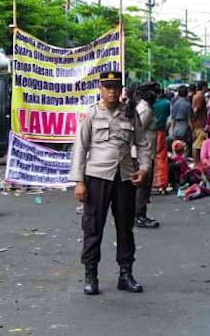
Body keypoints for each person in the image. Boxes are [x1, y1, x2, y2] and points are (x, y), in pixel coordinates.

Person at [69, 70, 150, 296]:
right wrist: (79, 182)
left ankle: (125, 274)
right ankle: (91, 275)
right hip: (97, 178)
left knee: (125, 227)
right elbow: (80, 148)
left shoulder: (130, 114)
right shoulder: (91, 113)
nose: (112, 92)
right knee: (93, 227)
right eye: (107, 87)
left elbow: (143, 144)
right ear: (100, 89)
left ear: (121, 89)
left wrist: (143, 169)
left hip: (124, 177)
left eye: (116, 87)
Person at [134, 83, 159, 229]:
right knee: (143, 186)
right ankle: (139, 216)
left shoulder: (146, 108)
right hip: (144, 154)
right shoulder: (144, 110)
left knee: (144, 186)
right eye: (154, 93)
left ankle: (140, 214)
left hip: (148, 152)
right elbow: (137, 132)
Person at [151, 85, 171, 192]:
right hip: (161, 131)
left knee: (149, 158)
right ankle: (162, 183)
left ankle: (150, 182)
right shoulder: (166, 103)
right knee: (162, 158)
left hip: (148, 133)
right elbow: (168, 118)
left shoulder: (148, 104)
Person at [191, 81, 209, 164]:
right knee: (197, 145)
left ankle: (197, 163)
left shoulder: (197, 96)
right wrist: (193, 121)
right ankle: (197, 163)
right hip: (199, 124)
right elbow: (196, 110)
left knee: (198, 144)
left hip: (198, 123)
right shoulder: (200, 97)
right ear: (203, 87)